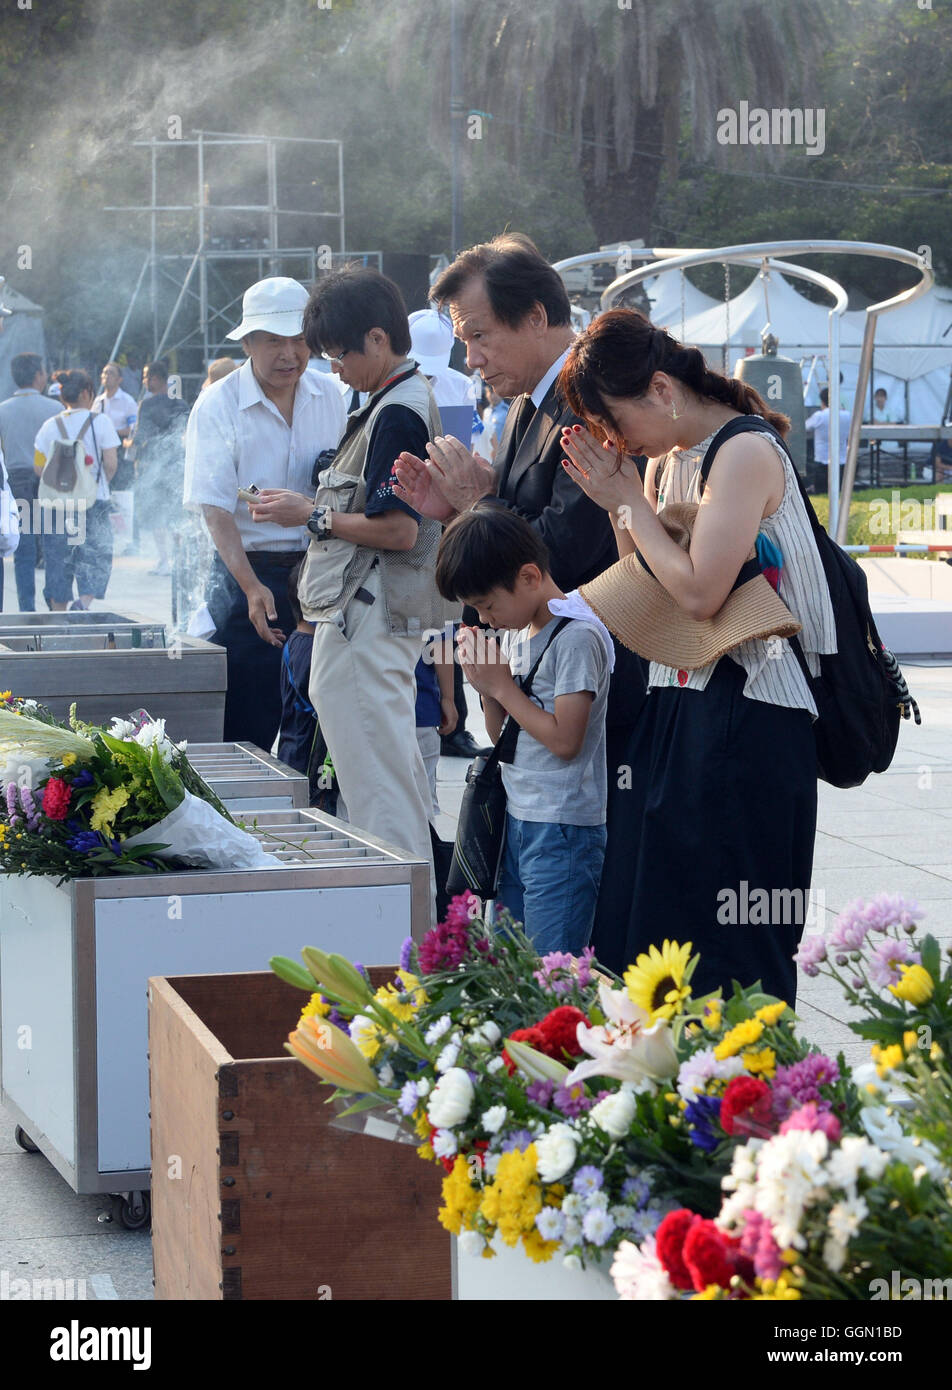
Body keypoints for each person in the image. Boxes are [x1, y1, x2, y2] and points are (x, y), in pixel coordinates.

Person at [558, 309, 837, 1004]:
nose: (619, 441)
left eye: (617, 422)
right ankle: (674, 1102)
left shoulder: (742, 452)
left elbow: (703, 594)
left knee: (737, 953)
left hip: (756, 715)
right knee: (661, 935)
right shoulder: (665, 462)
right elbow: (647, 594)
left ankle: (755, 1100)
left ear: (661, 389)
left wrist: (630, 502)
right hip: (680, 707)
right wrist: (623, 505)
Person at [248, 266, 443, 915]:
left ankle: (401, 945)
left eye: (340, 355)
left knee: (380, 793)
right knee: (387, 783)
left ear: (379, 339)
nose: (334, 370)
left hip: (368, 621)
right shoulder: (391, 401)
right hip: (366, 620)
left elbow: (396, 528)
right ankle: (408, 930)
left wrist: (310, 514)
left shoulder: (398, 413)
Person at [435, 506, 611, 954]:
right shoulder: (517, 632)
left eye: (488, 605)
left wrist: (501, 686)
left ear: (530, 577)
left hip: (562, 829)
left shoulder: (577, 636)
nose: (485, 619)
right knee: (512, 964)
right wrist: (486, 688)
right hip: (517, 816)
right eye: (475, 609)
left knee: (553, 970)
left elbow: (565, 742)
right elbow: (504, 738)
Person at [183, 276, 347, 749]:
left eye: (299, 341)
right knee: (246, 720)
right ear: (248, 342)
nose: (289, 355)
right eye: (274, 341)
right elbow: (214, 507)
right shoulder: (218, 405)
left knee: (317, 718)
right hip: (246, 576)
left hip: (319, 570)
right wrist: (251, 588)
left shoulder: (332, 395)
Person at [408, 306, 487, 760]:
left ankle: (451, 717)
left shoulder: (459, 385)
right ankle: (425, 707)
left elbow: (464, 450)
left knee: (451, 612)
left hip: (447, 508)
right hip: (404, 504)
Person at [33, 370, 119, 611]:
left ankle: (58, 611)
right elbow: (111, 462)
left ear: (63, 397)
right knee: (95, 554)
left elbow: (39, 467)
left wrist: (62, 483)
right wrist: (97, 483)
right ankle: (84, 602)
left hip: (57, 506)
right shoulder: (100, 422)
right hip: (94, 501)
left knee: (58, 558)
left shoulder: (49, 426)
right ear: (85, 393)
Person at [0, 353, 60, 610]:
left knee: (23, 547)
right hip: (50, 479)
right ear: (38, 376)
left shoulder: (2, 410)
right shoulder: (56, 409)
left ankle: (26, 607)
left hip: (17, 482)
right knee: (53, 543)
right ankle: (56, 602)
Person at [130, 360, 190, 576]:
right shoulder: (181, 404)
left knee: (158, 514)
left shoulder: (146, 405)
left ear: (155, 378)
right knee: (175, 514)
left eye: (146, 377)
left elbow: (140, 436)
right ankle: (177, 558)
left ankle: (164, 560)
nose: (145, 381)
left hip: (154, 467)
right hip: (176, 467)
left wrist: (129, 444)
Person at [805, 386, 851, 492]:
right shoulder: (847, 415)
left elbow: (805, 427)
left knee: (822, 490)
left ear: (822, 401)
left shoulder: (819, 416)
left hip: (822, 460)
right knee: (839, 489)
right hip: (842, 460)